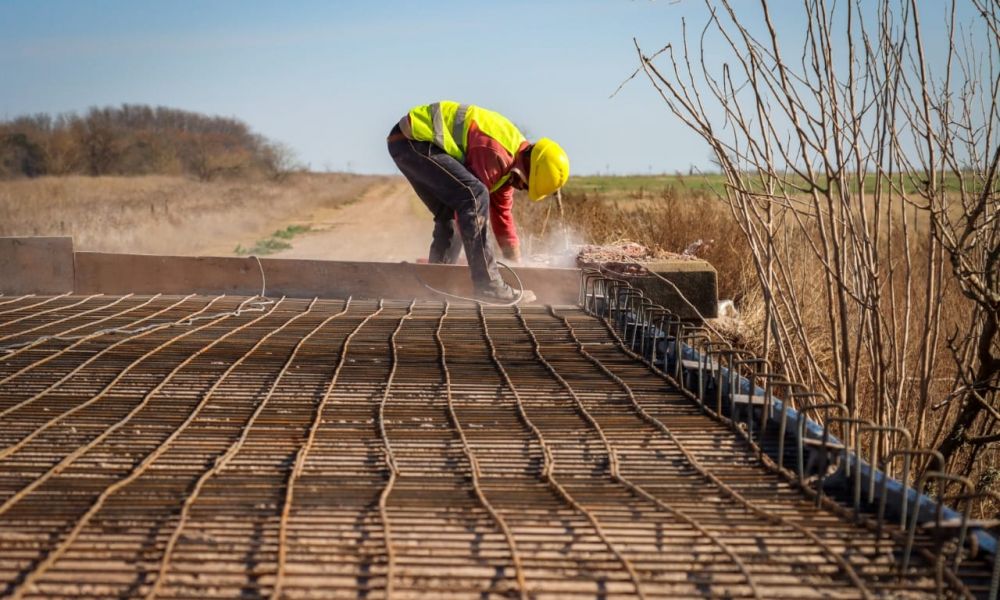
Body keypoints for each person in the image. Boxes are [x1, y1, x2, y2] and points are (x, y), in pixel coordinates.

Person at [387, 101, 569, 301]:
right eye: (526, 185)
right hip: (414, 139)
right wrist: (490, 268)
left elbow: (502, 218)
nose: (521, 188)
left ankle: (437, 284)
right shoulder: (496, 153)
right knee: (473, 195)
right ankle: (488, 286)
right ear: (527, 168)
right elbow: (472, 205)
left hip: (407, 142)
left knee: (451, 211)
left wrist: (516, 263)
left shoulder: (509, 168)